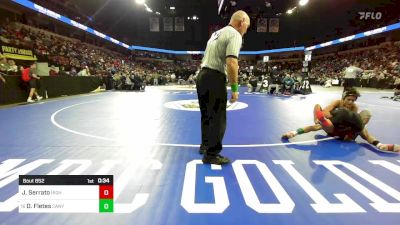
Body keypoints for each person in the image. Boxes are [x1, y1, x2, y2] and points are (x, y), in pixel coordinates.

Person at [196, 10, 250, 164]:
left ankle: (205, 146)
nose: (246, 30)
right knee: (218, 118)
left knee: (206, 114)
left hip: (202, 76)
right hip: (215, 77)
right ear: (241, 22)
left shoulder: (216, 33)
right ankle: (212, 155)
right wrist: (234, 89)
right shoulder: (235, 34)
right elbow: (232, 62)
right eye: (247, 25)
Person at [282, 107, 399, 153]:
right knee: (319, 126)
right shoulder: (358, 125)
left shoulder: (358, 125)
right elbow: (366, 138)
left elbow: (361, 137)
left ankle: (294, 132)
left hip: (337, 132)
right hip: (338, 132)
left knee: (317, 126)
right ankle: (380, 145)